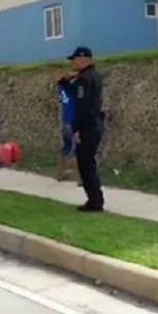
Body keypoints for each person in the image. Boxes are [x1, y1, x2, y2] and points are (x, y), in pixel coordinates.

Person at [67, 47, 105, 212]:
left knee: (86, 165)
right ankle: (96, 199)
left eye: (75, 59)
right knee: (89, 164)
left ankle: (94, 201)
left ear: (84, 59)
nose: (74, 62)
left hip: (87, 126)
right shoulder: (94, 76)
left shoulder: (83, 79)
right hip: (95, 123)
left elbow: (82, 106)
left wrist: (77, 129)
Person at [55, 70, 77, 182]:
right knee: (78, 149)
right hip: (73, 120)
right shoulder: (70, 89)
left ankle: (60, 173)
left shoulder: (60, 89)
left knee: (65, 148)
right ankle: (80, 178)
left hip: (65, 122)